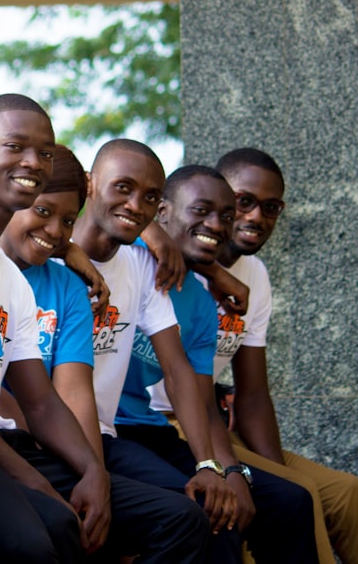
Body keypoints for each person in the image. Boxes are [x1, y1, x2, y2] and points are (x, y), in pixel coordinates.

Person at [0, 145, 212, 563]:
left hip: (63, 441)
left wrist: (95, 478)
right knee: (51, 530)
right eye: (43, 211)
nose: (56, 230)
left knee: (185, 516)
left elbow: (74, 394)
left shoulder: (69, 286)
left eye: (67, 221)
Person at [0, 94, 115, 562]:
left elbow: (40, 398)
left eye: (45, 153)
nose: (32, 162)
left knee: (64, 525)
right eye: (15, 146)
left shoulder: (13, 281)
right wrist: (33, 479)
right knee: (37, 538)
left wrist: (93, 469)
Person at [113, 164, 317, 564]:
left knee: (290, 501)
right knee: (211, 511)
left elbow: (206, 406)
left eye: (226, 216)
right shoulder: (123, 259)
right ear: (164, 211)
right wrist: (149, 230)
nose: (217, 225)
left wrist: (232, 471)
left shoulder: (204, 305)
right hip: (107, 432)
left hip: (149, 432)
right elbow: (92, 215)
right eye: (202, 211)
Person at [208, 149, 358, 564]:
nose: (256, 217)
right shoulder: (178, 262)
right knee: (296, 496)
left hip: (219, 425)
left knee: (345, 492)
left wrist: (279, 472)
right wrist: (284, 486)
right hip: (175, 425)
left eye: (271, 208)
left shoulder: (256, 274)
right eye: (244, 201)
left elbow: (253, 394)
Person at [68, 138, 245, 560]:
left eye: (149, 197)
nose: (135, 204)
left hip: (106, 436)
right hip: (57, 438)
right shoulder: (48, 260)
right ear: (90, 184)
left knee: (218, 512)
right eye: (122, 188)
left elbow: (177, 367)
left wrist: (208, 465)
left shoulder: (142, 266)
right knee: (183, 517)